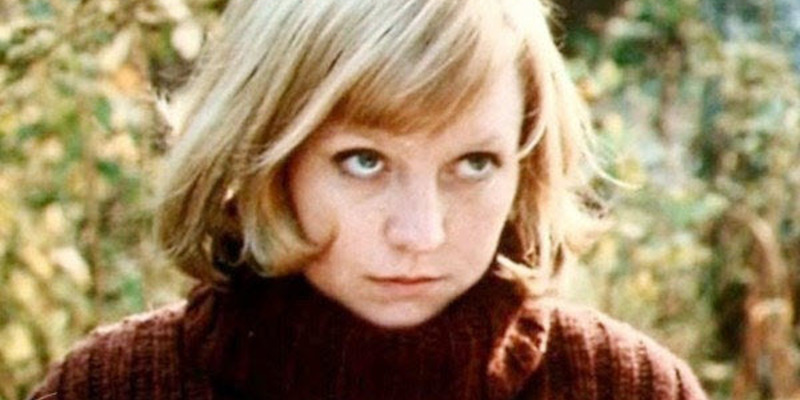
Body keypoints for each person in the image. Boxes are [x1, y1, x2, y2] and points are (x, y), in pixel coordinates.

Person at [29, 0, 708, 399]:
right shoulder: (112, 387)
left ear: (525, 165)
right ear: (262, 156)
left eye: (474, 164)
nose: (422, 232)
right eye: (364, 161)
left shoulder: (629, 389)